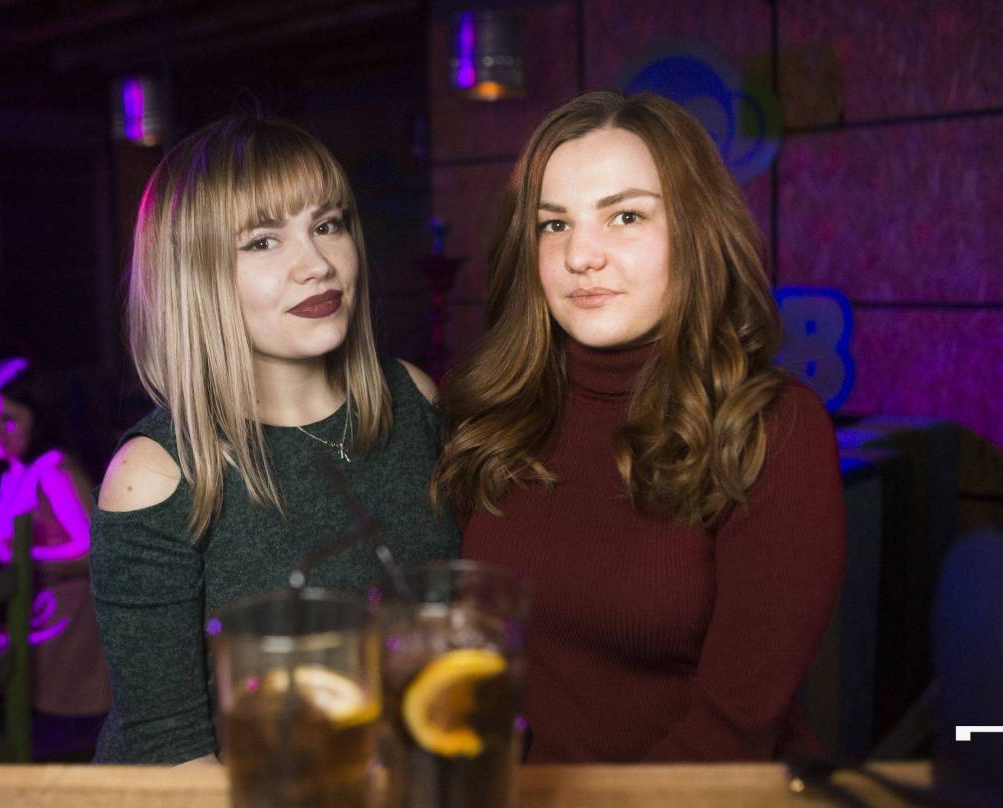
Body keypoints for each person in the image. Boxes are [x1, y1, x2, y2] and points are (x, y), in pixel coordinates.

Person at [433, 91, 847, 763]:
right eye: (553, 224)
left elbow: (731, 734)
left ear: (695, 229)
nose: (580, 256)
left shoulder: (773, 428)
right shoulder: (495, 412)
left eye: (625, 216)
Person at [90, 114, 460, 765]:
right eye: (262, 241)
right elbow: (172, 759)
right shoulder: (155, 475)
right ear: (193, 276)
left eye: (328, 225)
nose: (316, 265)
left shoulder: (412, 397)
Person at [0, 357, 112, 718]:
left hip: (65, 621)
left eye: (8, 419)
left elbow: (93, 549)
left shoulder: (53, 469)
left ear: (38, 419)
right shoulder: (11, 469)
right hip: (32, 607)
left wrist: (24, 558)